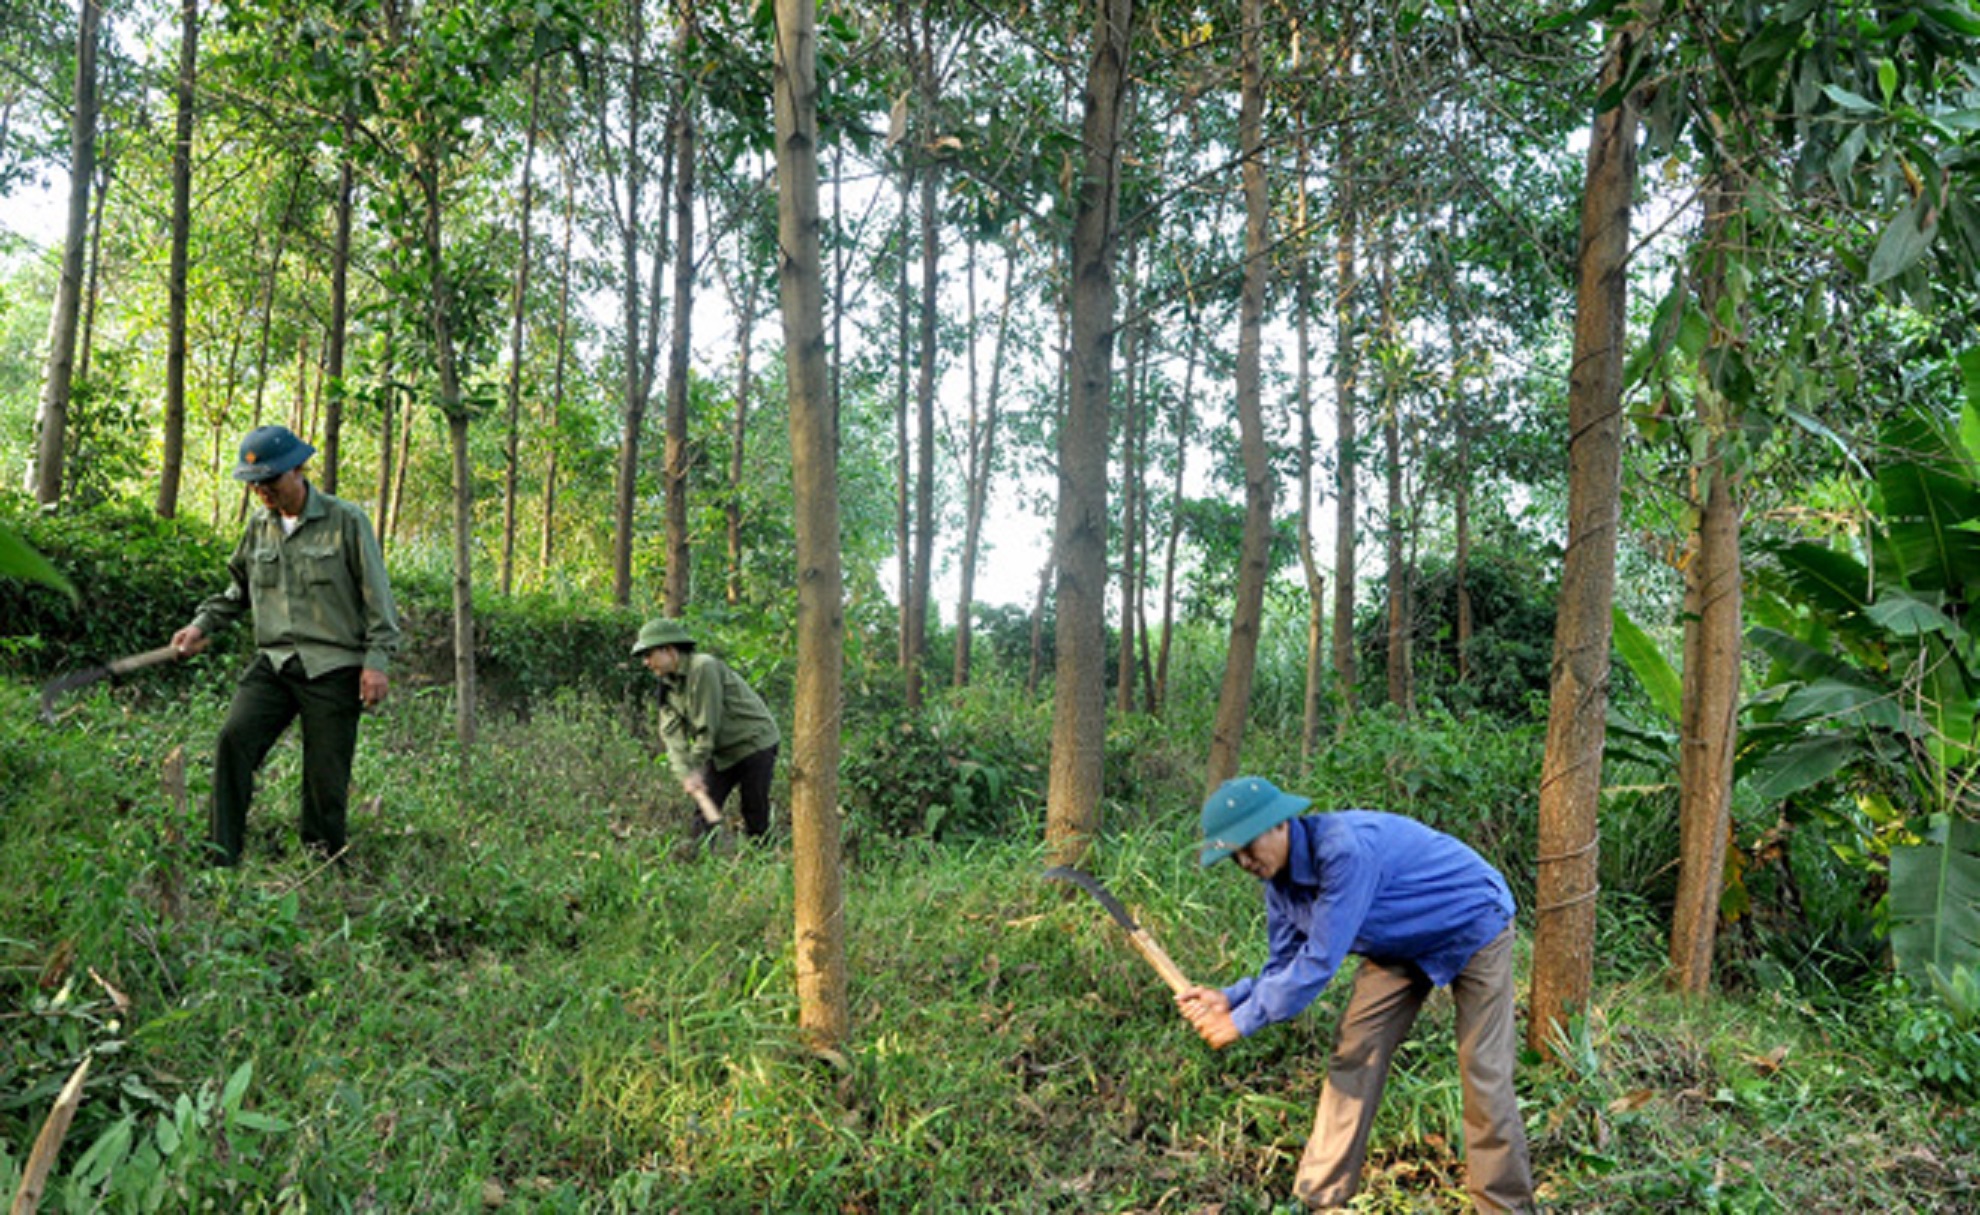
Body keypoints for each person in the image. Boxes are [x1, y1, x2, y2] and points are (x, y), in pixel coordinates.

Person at [1178, 776, 1535, 1213]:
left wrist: (1241, 1021)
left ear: (1281, 824)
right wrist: (1231, 998)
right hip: (1398, 942)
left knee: (1484, 1071)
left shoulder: (1343, 852)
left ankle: (1505, 1207)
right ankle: (1320, 1199)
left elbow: (1318, 962)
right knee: (1354, 1051)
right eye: (1234, 856)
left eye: (1250, 846)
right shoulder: (1279, 885)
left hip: (1473, 921)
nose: (1246, 861)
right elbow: (1284, 966)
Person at [170, 425, 400, 866]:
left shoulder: (345, 521)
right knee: (233, 740)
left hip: (332, 666)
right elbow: (238, 590)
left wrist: (376, 662)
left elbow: (378, 597)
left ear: (298, 470)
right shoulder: (259, 527)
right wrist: (201, 626)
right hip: (274, 662)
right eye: (255, 485)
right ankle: (221, 854)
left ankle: (322, 862)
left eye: (271, 482)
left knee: (325, 775)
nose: (263, 493)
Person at [632, 618, 781, 838]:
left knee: (754, 809)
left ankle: (762, 862)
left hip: (754, 743)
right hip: (722, 752)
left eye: (648, 654)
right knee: (703, 811)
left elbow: (706, 725)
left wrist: (696, 764)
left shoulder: (703, 667)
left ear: (669, 650)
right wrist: (686, 772)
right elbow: (672, 736)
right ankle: (696, 862)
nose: (645, 662)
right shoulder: (668, 687)